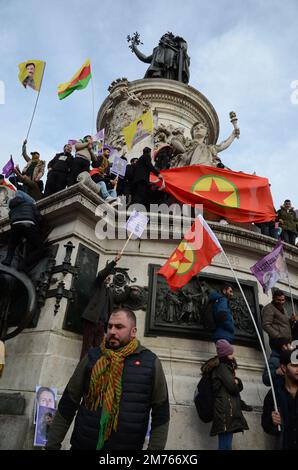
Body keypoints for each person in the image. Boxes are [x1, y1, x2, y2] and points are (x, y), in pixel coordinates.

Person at [46, 307, 170, 450]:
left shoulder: (150, 362)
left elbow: (161, 414)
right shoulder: (92, 357)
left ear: (133, 331)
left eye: (119, 327)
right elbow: (68, 402)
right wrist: (52, 445)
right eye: (109, 326)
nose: (112, 331)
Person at [80, 253, 122, 359]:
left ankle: (94, 372)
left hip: (101, 325)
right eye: (107, 276)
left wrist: (130, 290)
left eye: (110, 276)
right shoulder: (98, 285)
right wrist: (114, 261)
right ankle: (82, 373)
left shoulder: (109, 291)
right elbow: (102, 274)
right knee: (87, 349)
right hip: (91, 321)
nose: (108, 277)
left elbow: (119, 299)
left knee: (98, 352)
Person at [210, 340, 249, 450]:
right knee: (225, 445)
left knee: (227, 445)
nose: (234, 353)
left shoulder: (227, 368)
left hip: (228, 410)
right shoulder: (222, 368)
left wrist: (237, 382)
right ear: (226, 354)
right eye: (231, 352)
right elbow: (232, 388)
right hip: (225, 411)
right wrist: (237, 382)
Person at [262, 348, 298, 450]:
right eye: (294, 365)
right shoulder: (274, 393)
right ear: (283, 367)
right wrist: (272, 421)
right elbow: (265, 425)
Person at [1, 191, 45, 272]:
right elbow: (38, 216)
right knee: (40, 249)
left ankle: (7, 260)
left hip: (15, 225)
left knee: (12, 244)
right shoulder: (30, 204)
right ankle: (23, 264)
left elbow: (11, 220)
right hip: (28, 224)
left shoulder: (12, 210)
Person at [171, 121, 239, 168]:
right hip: (187, 161)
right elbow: (174, 140)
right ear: (192, 134)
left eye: (201, 127)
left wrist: (233, 135)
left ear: (206, 134)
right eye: (195, 128)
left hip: (205, 165)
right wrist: (185, 150)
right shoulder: (187, 141)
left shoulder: (210, 148)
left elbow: (222, 145)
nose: (198, 129)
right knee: (202, 147)